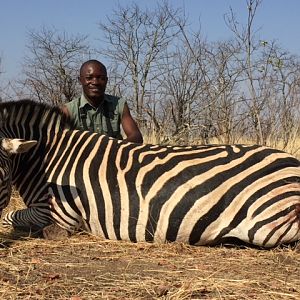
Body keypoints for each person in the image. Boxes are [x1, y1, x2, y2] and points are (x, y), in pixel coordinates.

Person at [62, 59, 143, 143]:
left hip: (113, 154)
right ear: (80, 80)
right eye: (89, 78)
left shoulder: (119, 104)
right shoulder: (68, 110)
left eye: (101, 78)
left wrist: (112, 149)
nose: (95, 82)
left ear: (106, 80)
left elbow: (136, 136)